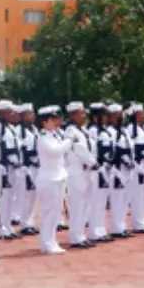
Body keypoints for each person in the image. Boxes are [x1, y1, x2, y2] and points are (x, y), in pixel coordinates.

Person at [35, 106, 71, 254]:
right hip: (48, 178)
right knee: (48, 212)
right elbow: (55, 151)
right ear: (44, 122)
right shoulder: (43, 137)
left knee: (55, 212)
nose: (56, 122)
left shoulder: (54, 135)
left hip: (58, 176)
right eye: (53, 119)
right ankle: (47, 242)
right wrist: (69, 141)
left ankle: (50, 241)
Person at [63, 102, 97, 248]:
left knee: (85, 205)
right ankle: (75, 237)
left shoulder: (84, 131)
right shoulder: (71, 132)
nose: (84, 116)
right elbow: (80, 149)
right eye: (81, 113)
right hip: (76, 172)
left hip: (87, 171)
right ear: (72, 115)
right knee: (77, 205)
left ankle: (81, 235)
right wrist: (92, 162)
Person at [124, 104, 144, 233]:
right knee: (138, 195)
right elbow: (133, 148)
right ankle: (138, 223)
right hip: (139, 164)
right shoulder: (131, 129)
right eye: (141, 114)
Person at [87, 103, 114, 243]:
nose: (105, 118)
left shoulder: (104, 130)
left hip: (106, 169)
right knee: (95, 201)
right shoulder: (92, 131)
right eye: (102, 115)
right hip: (97, 170)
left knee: (102, 202)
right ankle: (94, 232)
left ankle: (100, 229)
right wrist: (100, 165)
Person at [0, 100, 19, 240]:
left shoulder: (11, 128)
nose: (13, 114)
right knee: (3, 198)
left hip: (13, 167)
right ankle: (2, 227)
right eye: (10, 111)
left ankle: (8, 225)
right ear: (2, 113)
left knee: (11, 197)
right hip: (3, 167)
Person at [107, 103, 132, 238]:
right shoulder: (109, 131)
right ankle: (116, 228)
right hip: (116, 169)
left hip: (127, 168)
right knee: (117, 199)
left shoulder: (124, 130)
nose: (119, 117)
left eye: (120, 114)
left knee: (124, 199)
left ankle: (121, 226)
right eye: (116, 115)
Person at [15, 103, 39, 236]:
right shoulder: (19, 130)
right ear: (23, 115)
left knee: (31, 196)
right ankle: (24, 223)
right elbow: (20, 149)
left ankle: (29, 222)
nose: (32, 115)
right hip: (25, 166)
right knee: (24, 196)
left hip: (34, 165)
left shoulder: (34, 129)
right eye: (29, 113)